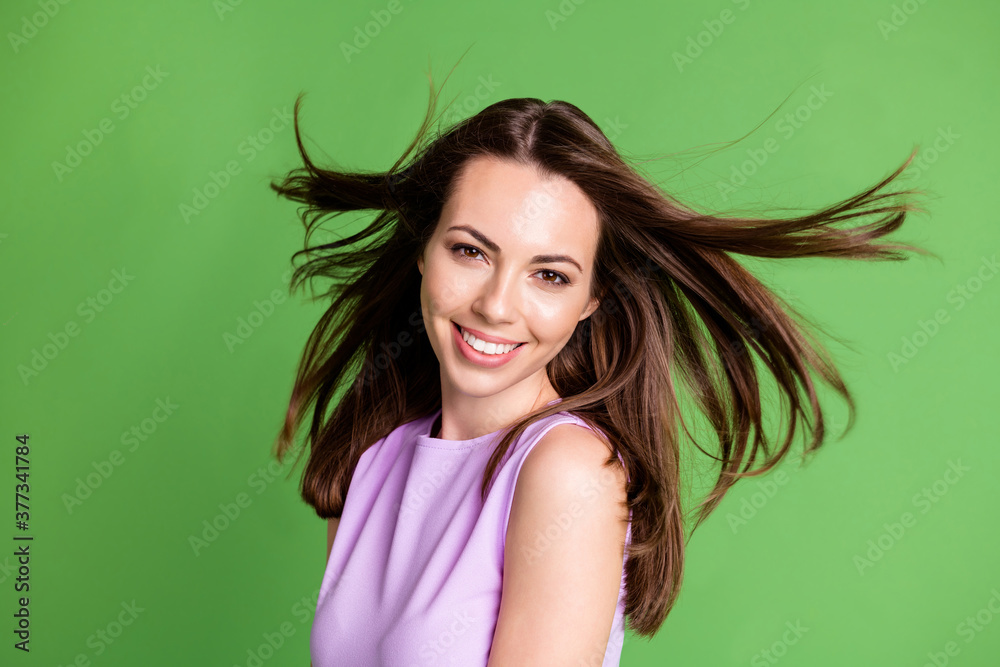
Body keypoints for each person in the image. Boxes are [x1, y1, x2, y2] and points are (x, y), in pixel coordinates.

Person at [269, 73, 930, 666]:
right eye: (471, 251)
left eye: (550, 275)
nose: (496, 305)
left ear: (591, 299)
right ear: (424, 249)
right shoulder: (374, 456)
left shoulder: (566, 471)